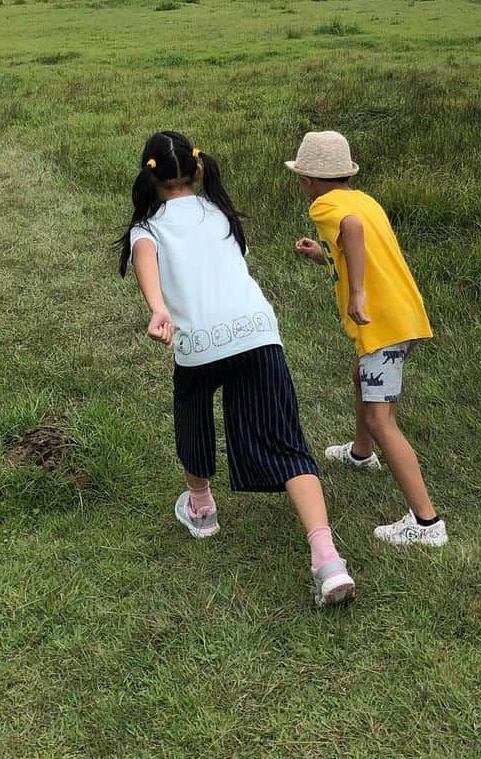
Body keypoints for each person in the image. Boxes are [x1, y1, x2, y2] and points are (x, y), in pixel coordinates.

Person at [118, 131, 356, 607]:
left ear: (150, 175)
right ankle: (327, 559)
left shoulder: (147, 225)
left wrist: (157, 309)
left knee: (192, 410)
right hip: (256, 332)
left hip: (199, 343)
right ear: (198, 169)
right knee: (286, 439)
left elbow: (145, 259)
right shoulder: (222, 213)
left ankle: (202, 507)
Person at [287, 131, 446, 547]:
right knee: (360, 373)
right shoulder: (363, 199)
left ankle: (426, 523)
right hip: (402, 313)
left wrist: (357, 293)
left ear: (306, 179)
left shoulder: (326, 205)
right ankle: (361, 453)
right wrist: (323, 255)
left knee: (382, 419)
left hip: (381, 324)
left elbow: (352, 232)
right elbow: (359, 244)